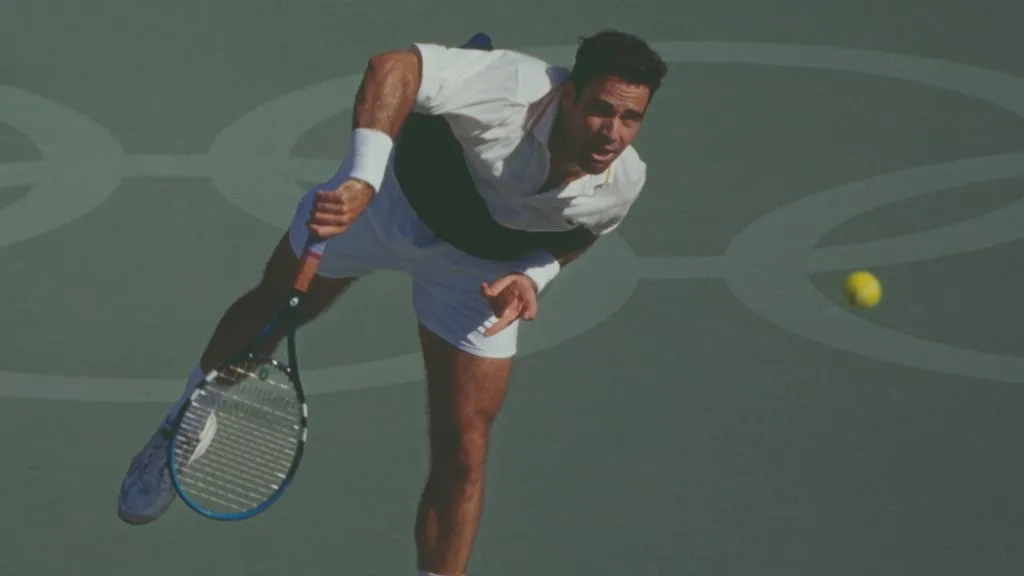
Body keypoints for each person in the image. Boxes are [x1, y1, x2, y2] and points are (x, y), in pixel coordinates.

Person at [117, 29, 667, 576]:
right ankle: (186, 419)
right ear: (568, 95)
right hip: (388, 204)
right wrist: (363, 178)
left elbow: (579, 233)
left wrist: (533, 276)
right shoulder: (511, 89)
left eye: (630, 119)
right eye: (600, 111)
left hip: (477, 272)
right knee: (276, 307)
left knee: (464, 445)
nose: (612, 133)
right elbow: (392, 67)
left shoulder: (622, 181)